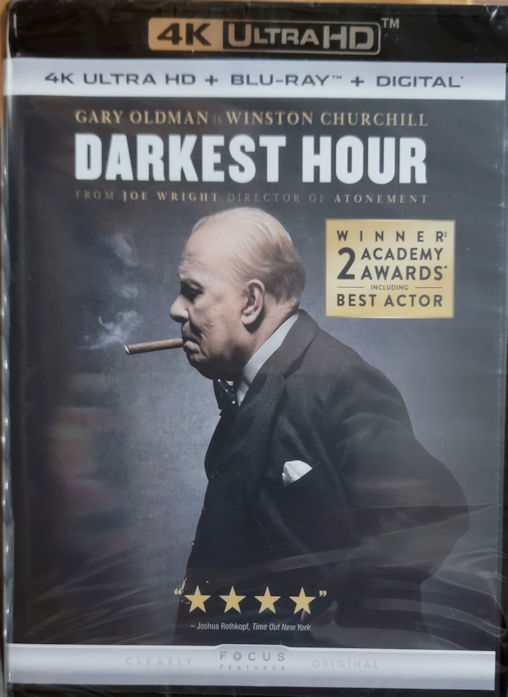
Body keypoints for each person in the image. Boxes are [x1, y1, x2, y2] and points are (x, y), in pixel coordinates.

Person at [169, 207, 468, 648]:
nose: (176, 310)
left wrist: (327, 625)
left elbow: (431, 511)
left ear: (251, 302)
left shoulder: (340, 382)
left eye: (192, 292)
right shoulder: (252, 380)